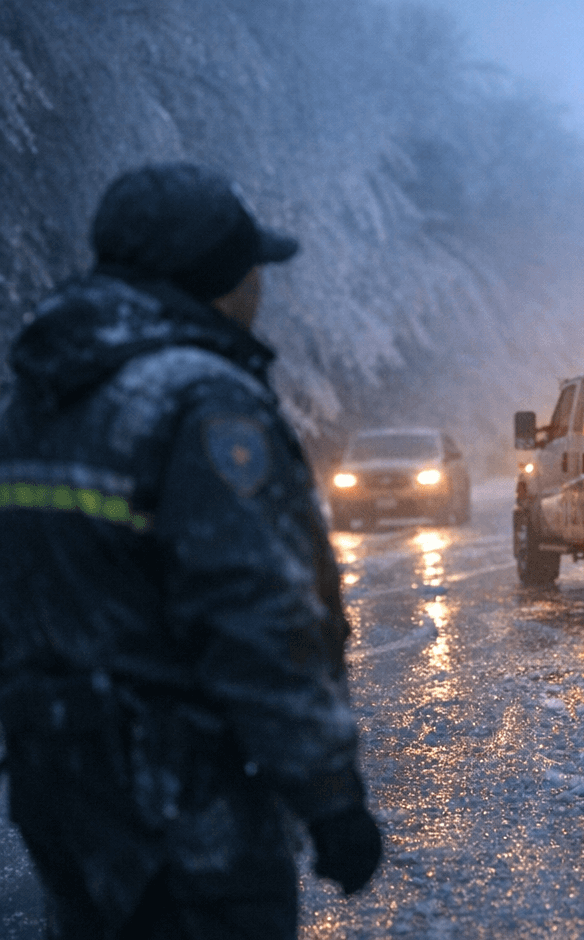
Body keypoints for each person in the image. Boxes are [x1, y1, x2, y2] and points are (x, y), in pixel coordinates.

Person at [0, 163, 381, 937]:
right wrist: (327, 795)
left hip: (58, 782)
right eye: (250, 269)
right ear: (211, 276)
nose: (259, 289)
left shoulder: (40, 392)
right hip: (183, 797)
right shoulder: (200, 403)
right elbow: (252, 611)